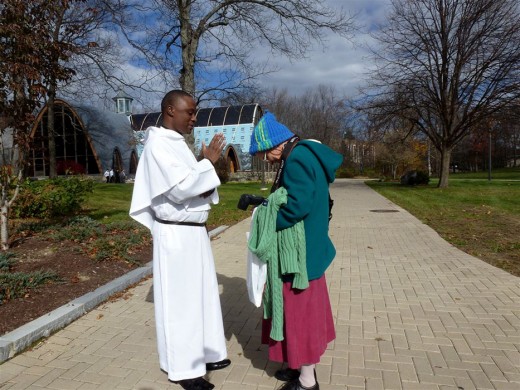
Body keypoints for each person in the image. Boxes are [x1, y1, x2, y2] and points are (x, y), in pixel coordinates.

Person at [129, 90, 230, 390]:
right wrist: (208, 163)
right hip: (175, 235)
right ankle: (185, 369)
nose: (194, 117)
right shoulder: (158, 144)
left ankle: (207, 352)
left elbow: (192, 182)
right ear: (171, 110)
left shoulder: (177, 143)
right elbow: (182, 188)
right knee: (181, 303)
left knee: (203, 295)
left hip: (193, 233)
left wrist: (202, 164)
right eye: (190, 112)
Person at [248, 112, 342, 390]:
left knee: (301, 316)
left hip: (300, 255)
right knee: (295, 312)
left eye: (264, 153)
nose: (266, 159)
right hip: (307, 248)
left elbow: (297, 206)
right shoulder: (302, 154)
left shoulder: (298, 158)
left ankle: (307, 381)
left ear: (276, 144)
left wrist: (265, 221)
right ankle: (294, 364)